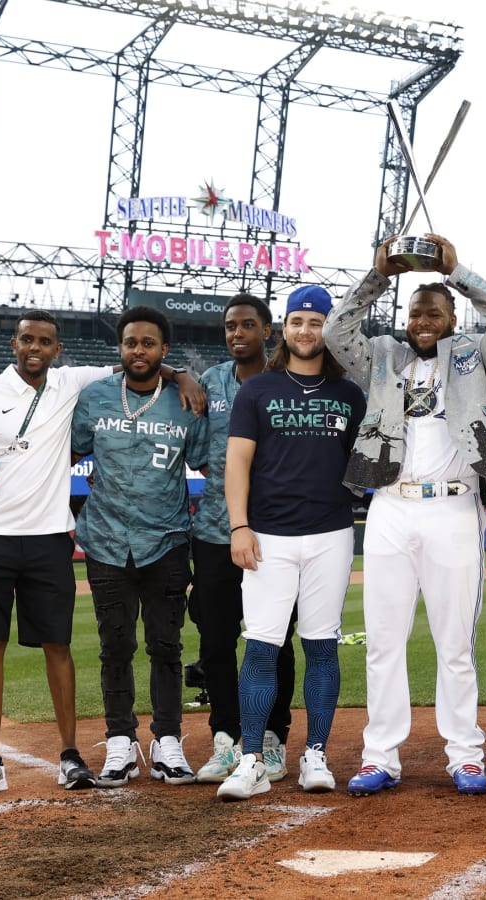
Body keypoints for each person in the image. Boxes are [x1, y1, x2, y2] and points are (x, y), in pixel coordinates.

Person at [0, 308, 201, 799]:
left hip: (51, 538)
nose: (35, 348)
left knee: (62, 646)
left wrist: (181, 371)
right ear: (14, 344)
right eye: (26, 340)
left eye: (45, 341)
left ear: (58, 350)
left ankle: (71, 755)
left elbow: (139, 361)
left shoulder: (70, 383)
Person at [322, 233, 486, 796]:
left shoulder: (475, 355)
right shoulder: (385, 356)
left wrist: (455, 271)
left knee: (454, 640)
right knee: (385, 640)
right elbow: (338, 332)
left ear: (453, 315)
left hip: (454, 507)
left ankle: (465, 754)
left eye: (434, 311)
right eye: (416, 312)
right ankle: (381, 755)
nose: (423, 320)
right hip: (390, 505)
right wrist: (378, 275)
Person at [215, 286, 366, 800]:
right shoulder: (258, 390)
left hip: (330, 533)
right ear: (284, 328)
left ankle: (315, 755)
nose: (306, 330)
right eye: (298, 320)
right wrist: (239, 526)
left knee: (322, 647)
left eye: (317, 321)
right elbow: (236, 462)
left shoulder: (350, 395)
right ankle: (252, 759)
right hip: (268, 536)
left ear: (331, 329)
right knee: (261, 649)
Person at [71, 306, 209, 789]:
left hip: (167, 541)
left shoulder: (186, 401)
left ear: (163, 350)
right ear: (121, 347)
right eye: (131, 343)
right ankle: (119, 741)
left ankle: (167, 739)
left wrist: (183, 377)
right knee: (115, 646)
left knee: (166, 646)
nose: (139, 351)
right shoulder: (94, 398)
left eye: (149, 344)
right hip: (106, 542)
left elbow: (208, 464)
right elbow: (67, 454)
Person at [190, 293, 299, 786]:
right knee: (215, 641)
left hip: (276, 532)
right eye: (230, 326)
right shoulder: (210, 382)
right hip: (216, 530)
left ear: (267, 330)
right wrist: (176, 375)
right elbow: (203, 456)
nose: (238, 334)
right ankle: (226, 739)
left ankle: (273, 737)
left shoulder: (287, 380)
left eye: (247, 325)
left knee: (273, 640)